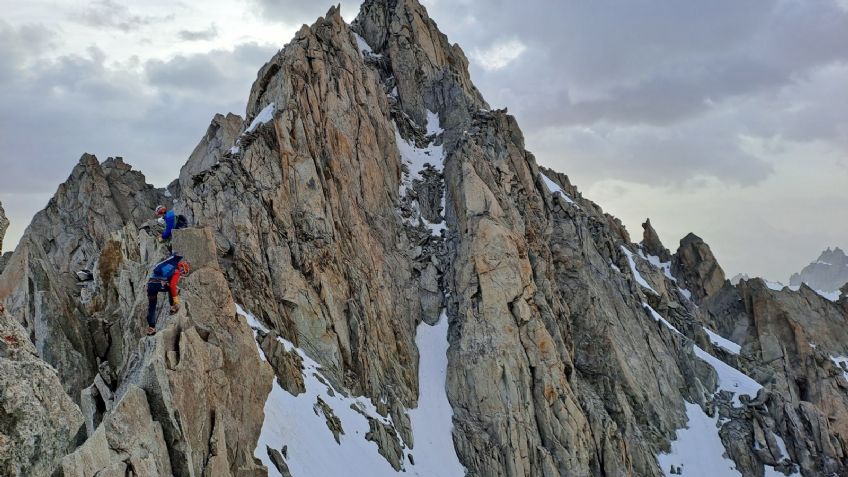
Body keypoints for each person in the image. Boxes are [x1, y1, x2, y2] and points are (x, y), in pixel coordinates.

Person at [146, 253, 189, 335]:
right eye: (183, 273)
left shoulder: (168, 265)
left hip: (150, 283)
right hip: (159, 283)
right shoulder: (176, 271)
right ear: (182, 268)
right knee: (171, 288)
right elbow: (172, 286)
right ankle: (173, 306)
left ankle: (151, 327)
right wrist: (176, 300)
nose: (182, 274)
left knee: (152, 305)